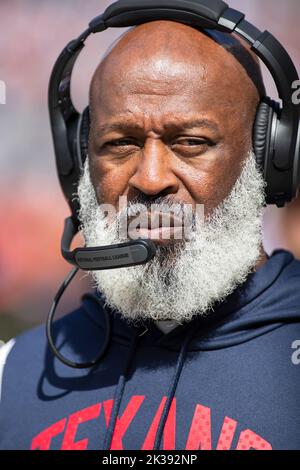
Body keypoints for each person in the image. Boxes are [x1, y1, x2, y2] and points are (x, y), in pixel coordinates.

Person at [0, 19, 300, 451]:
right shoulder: (14, 375)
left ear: (268, 158)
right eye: (121, 143)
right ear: (80, 161)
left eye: (191, 142)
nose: (151, 178)